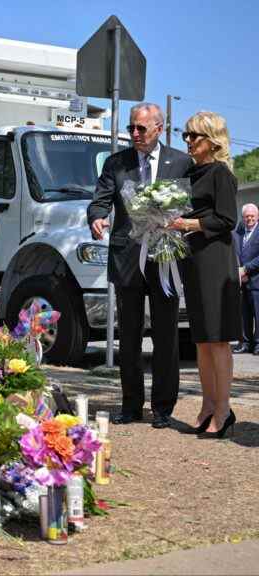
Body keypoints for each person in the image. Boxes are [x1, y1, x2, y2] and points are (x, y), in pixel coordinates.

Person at [87, 102, 192, 429]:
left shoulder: (182, 162)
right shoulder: (116, 163)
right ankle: (131, 404)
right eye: (131, 128)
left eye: (141, 128)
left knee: (165, 336)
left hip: (165, 260)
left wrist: (180, 222)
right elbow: (100, 199)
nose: (134, 134)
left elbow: (191, 206)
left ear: (159, 129)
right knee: (129, 336)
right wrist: (97, 217)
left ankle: (163, 407)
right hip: (128, 258)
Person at [169, 111, 241, 438]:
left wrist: (189, 224)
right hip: (193, 258)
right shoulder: (192, 172)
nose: (187, 141)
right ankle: (208, 404)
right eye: (185, 135)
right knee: (200, 338)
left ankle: (224, 408)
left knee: (218, 338)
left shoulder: (221, 174)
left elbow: (227, 220)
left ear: (211, 141)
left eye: (193, 136)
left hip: (214, 259)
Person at [233, 204, 259, 354]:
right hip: (241, 281)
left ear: (257, 216)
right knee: (244, 315)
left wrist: (246, 269)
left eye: (252, 216)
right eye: (246, 216)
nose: (249, 218)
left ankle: (258, 344)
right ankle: (245, 343)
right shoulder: (239, 232)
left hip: (256, 279)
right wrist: (238, 271)